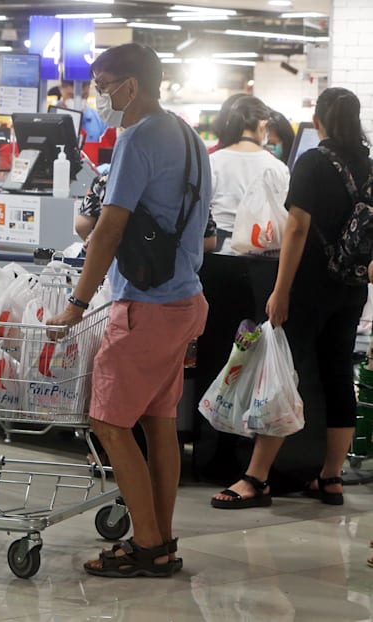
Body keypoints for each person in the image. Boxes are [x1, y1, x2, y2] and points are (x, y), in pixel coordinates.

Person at [46, 43, 210, 578]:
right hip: (185, 298)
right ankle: (160, 540)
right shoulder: (187, 134)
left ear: (131, 86)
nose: (99, 95)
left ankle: (145, 544)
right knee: (159, 422)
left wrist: (77, 302)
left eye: (104, 84)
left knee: (109, 421)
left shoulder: (138, 138)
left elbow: (110, 227)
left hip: (145, 306)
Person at [211, 87, 371, 510]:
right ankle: (331, 477)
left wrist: (280, 291)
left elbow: (296, 228)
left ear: (318, 120)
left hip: (309, 286)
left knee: (280, 374)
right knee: (338, 375)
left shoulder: (313, 161)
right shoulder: (368, 164)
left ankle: (256, 478)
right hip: (351, 288)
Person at [208, 96, 290, 241]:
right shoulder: (277, 166)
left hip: (219, 245)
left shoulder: (213, 161)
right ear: (263, 126)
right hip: (260, 245)